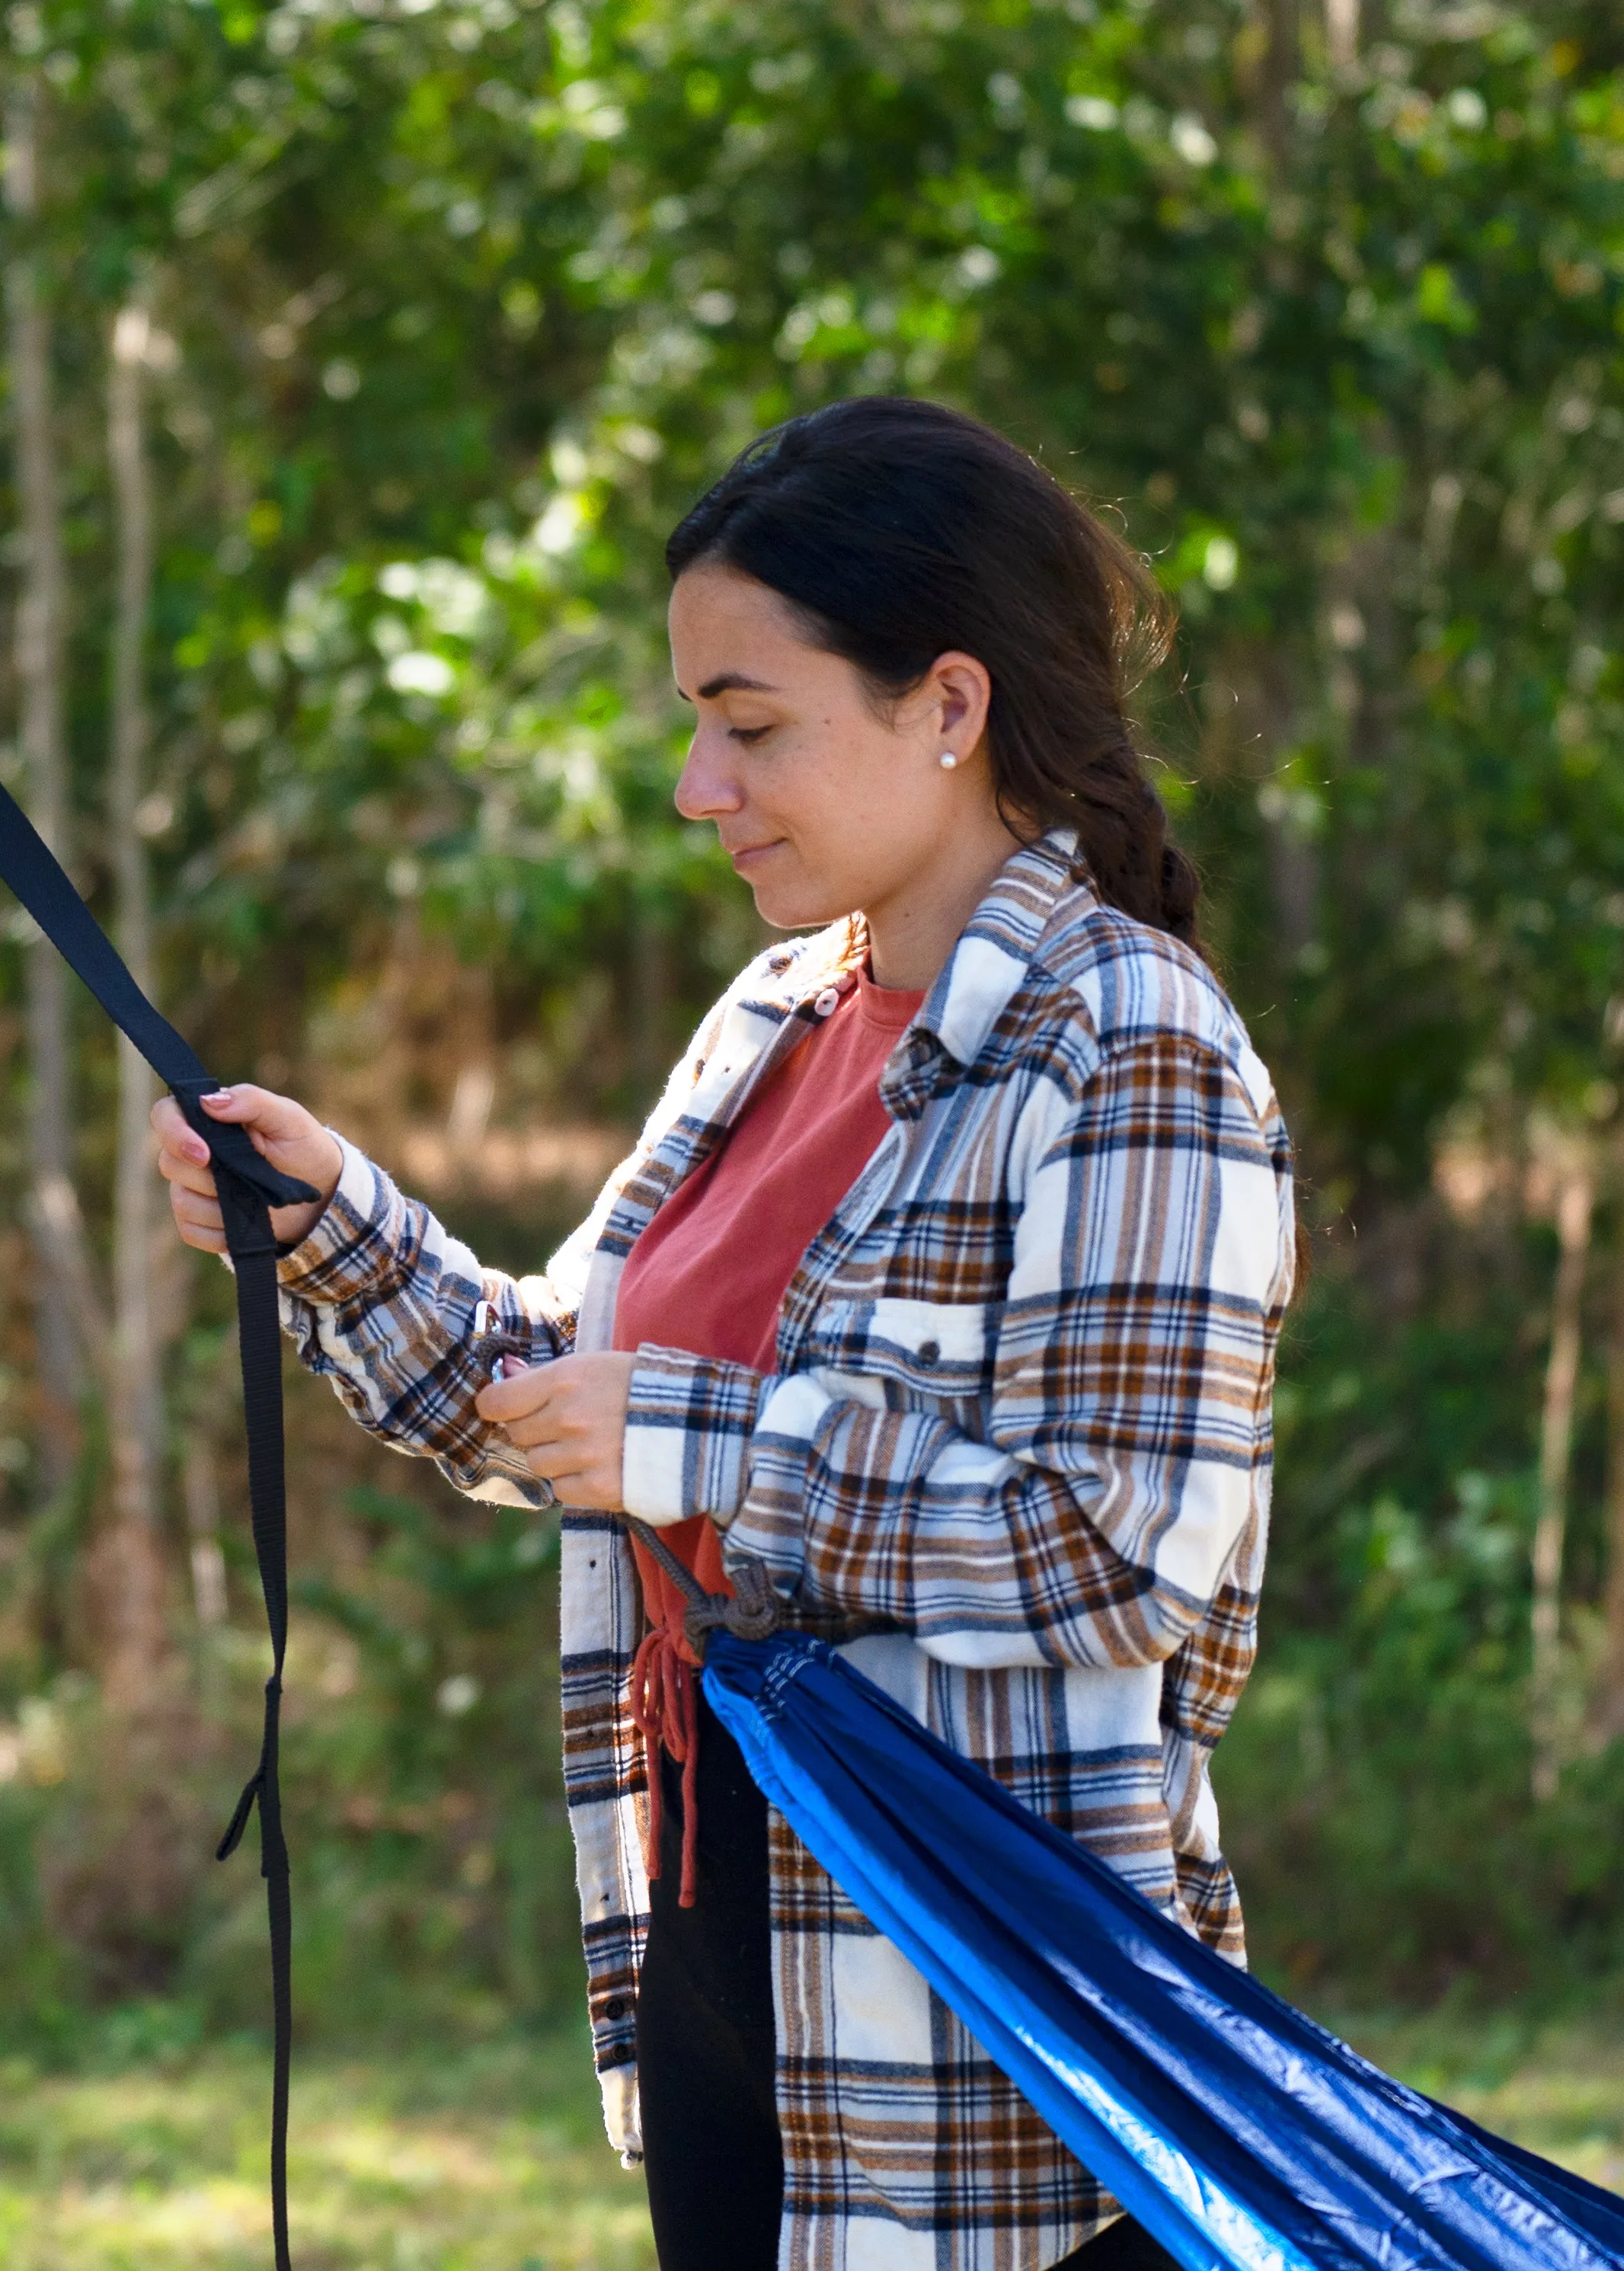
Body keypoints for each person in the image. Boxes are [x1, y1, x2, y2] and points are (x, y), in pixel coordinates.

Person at [154, 396, 1295, 2271]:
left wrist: (699, 1447)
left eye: (749, 724)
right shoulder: (778, 1010)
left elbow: (1119, 1550)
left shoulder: (1131, 1045)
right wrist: (335, 1231)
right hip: (712, 1928)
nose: (702, 785)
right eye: (699, 722)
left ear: (950, 703)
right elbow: (565, 1397)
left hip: (976, 2018)